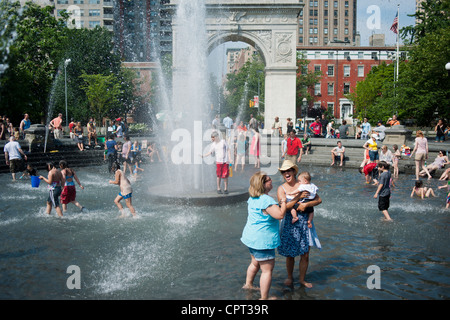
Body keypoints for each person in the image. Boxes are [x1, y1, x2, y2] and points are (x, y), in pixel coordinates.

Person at [240, 172, 287, 300]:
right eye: (268, 180)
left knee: (255, 262)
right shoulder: (267, 200)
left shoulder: (253, 197)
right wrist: (283, 202)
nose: (271, 180)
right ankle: (264, 298)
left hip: (251, 238)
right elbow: (280, 215)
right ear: (263, 184)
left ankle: (248, 284)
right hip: (263, 241)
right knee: (267, 270)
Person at [277, 160, 322, 288]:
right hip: (290, 223)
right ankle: (290, 277)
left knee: (305, 253)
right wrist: (298, 198)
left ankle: (302, 279)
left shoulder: (303, 183)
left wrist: (307, 204)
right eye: (284, 171)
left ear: (294, 172)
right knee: (290, 254)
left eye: (289, 170)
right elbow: (284, 208)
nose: (286, 173)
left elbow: (319, 199)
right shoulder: (281, 189)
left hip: (305, 222)